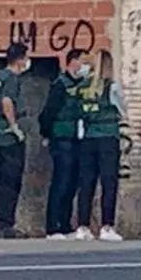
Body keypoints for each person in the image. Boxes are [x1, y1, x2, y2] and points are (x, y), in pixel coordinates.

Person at [74, 49, 125, 241]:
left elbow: (78, 111)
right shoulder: (111, 88)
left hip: (88, 138)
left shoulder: (82, 87)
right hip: (108, 137)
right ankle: (106, 226)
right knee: (109, 183)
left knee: (86, 183)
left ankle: (83, 226)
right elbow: (122, 110)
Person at [38, 48, 89, 240]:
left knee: (73, 182)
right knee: (61, 180)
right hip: (62, 138)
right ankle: (53, 226)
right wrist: (46, 134)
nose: (85, 66)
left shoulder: (82, 85)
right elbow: (47, 113)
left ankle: (65, 224)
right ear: (73, 61)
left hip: (78, 139)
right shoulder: (60, 84)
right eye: (83, 61)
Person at [0, 43, 30, 239]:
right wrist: (13, 126)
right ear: (20, 59)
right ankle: (7, 224)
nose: (27, 61)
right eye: (26, 57)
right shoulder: (12, 78)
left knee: (0, 180)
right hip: (9, 138)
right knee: (11, 181)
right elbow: (7, 102)